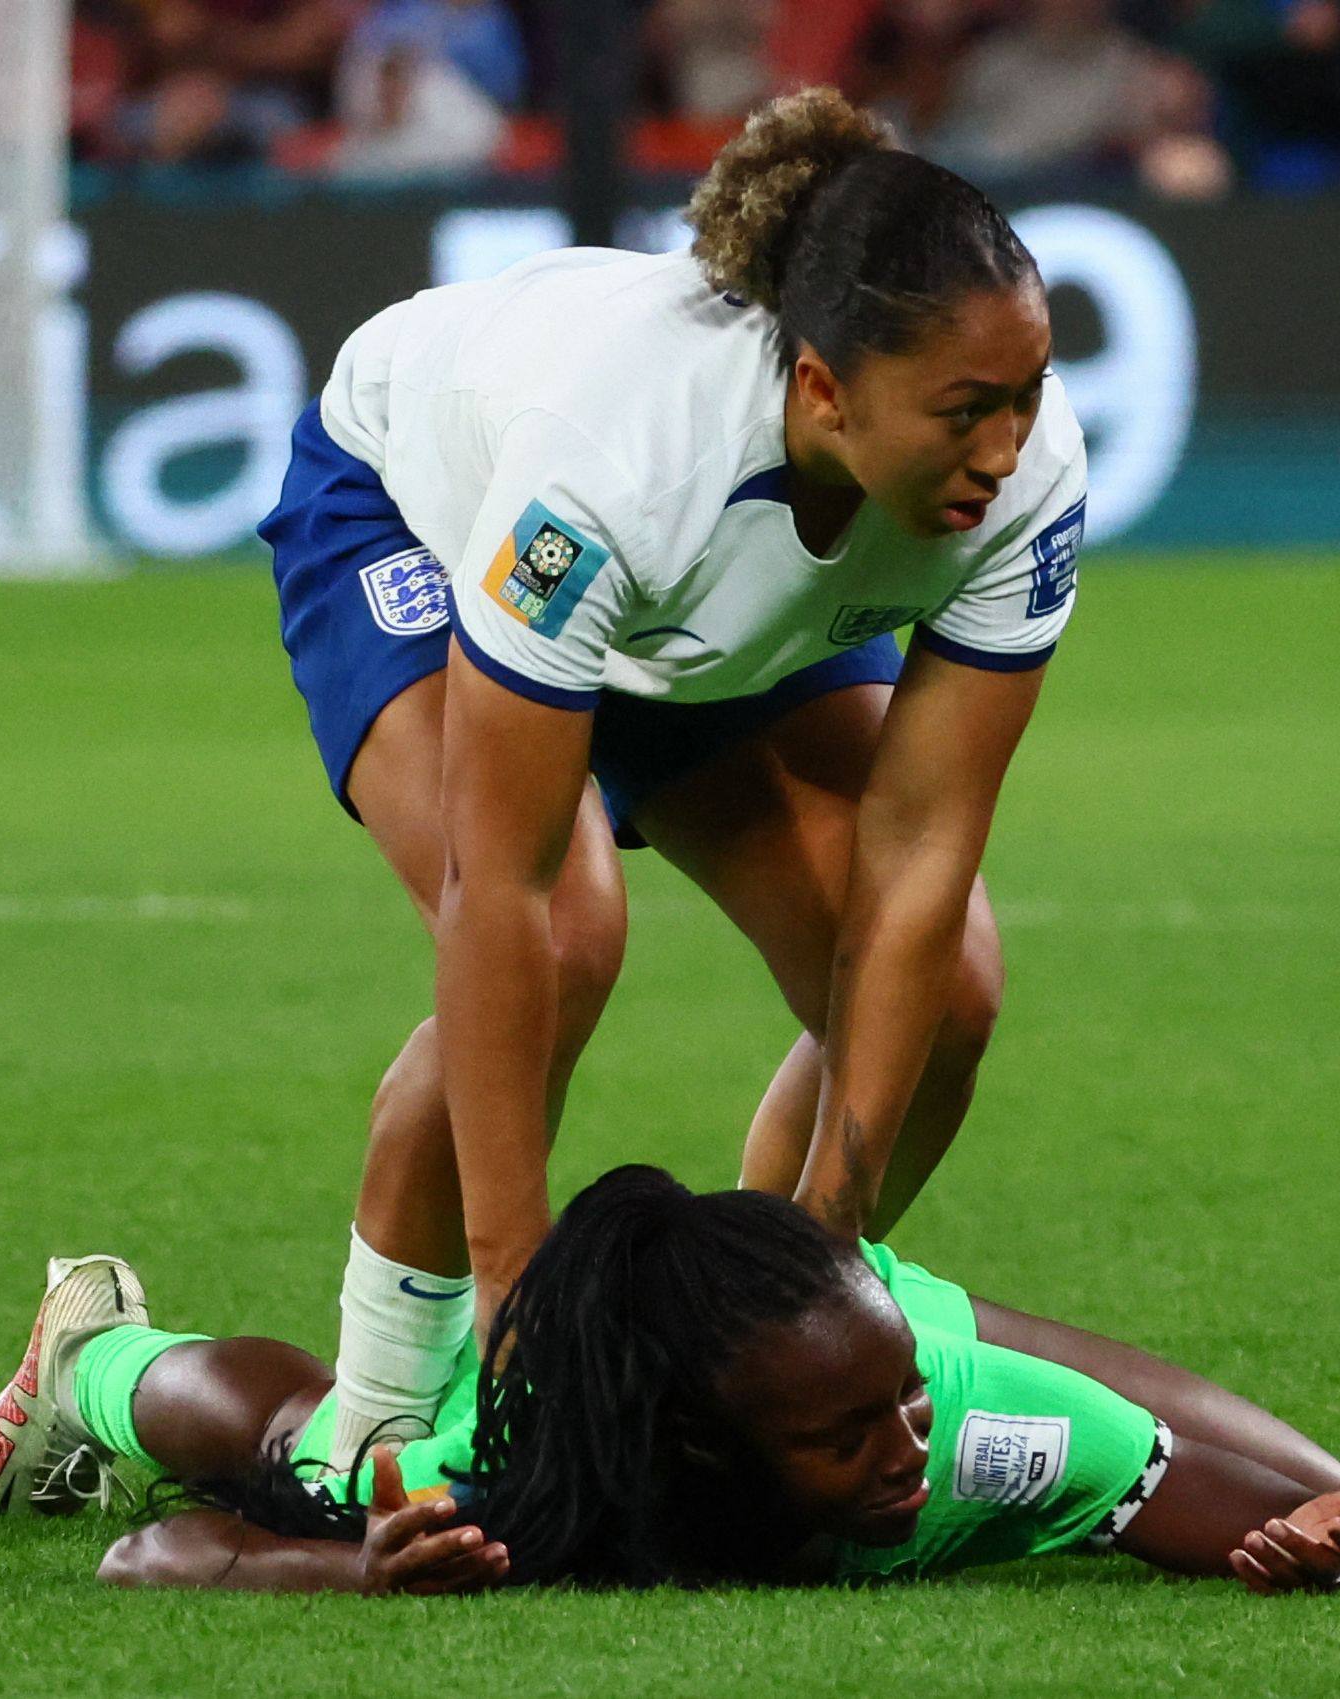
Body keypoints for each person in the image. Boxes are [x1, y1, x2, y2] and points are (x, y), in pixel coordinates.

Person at [257, 87, 1090, 1472]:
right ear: (823, 385)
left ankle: (730, 1383)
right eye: (964, 411)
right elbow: (499, 890)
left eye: (1028, 394)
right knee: (570, 933)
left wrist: (827, 1251)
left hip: (712, 616)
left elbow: (922, 851)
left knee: (948, 992)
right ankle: (379, 1428)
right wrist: (524, 1304)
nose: (1004, 453)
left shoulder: (1019, 482)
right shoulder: (615, 464)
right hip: (411, 511)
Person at [0, 1167, 1340, 1594]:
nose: (907, 1453)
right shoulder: (518, 1493)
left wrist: (1304, 1554)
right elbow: (150, 1557)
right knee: (305, 1441)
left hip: (861, 1314)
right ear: (704, 1451)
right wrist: (357, 1572)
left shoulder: (972, 1423)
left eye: (902, 1410)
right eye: (847, 1440)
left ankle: (878, 1333)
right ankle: (93, 1348)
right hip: (748, 1356)